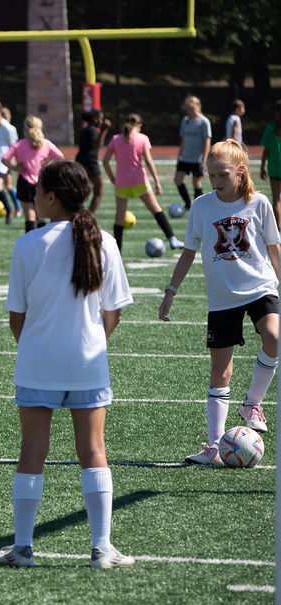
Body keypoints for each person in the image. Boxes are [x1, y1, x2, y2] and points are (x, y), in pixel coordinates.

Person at [0, 158, 134, 569]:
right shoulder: (105, 242)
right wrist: (89, 343)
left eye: (37, 191)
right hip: (87, 362)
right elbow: (113, 313)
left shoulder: (27, 245)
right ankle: (101, 548)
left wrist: (39, 348)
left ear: (52, 197)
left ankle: (23, 548)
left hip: (38, 362)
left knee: (32, 452)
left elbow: (16, 317)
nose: (33, 197)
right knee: (93, 451)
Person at [158, 140, 281, 466]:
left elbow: (273, 248)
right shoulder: (201, 206)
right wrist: (171, 289)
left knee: (274, 337)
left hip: (260, 287)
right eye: (210, 174)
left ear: (241, 171)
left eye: (222, 173)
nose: (215, 180)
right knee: (220, 371)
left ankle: (252, 403)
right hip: (222, 298)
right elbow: (188, 251)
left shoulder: (259, 203)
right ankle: (214, 447)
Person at [102, 113, 183, 252]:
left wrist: (112, 179)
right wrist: (157, 181)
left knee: (119, 218)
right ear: (139, 126)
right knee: (156, 210)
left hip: (122, 183)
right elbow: (149, 161)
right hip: (139, 181)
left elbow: (105, 161)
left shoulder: (115, 139)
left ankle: (118, 252)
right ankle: (172, 239)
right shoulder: (143, 138)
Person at [2, 115, 64, 233]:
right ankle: (43, 242)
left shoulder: (19, 144)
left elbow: (4, 159)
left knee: (29, 216)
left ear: (25, 130)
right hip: (42, 183)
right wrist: (48, 168)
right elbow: (60, 157)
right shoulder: (46, 143)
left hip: (24, 182)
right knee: (41, 217)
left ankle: (29, 245)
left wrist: (15, 168)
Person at [175, 95, 212, 212]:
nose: (190, 111)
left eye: (192, 108)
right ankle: (187, 203)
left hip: (197, 158)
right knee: (177, 179)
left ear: (198, 107)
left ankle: (198, 207)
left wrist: (203, 159)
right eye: (188, 109)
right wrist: (179, 155)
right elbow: (183, 139)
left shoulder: (204, 122)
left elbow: (207, 141)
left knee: (196, 181)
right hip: (185, 157)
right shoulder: (185, 121)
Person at [76, 108, 112, 213]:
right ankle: (90, 215)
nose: (101, 121)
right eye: (100, 119)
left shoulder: (85, 130)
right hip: (90, 163)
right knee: (99, 191)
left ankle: (78, 213)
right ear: (95, 119)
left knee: (83, 191)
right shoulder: (92, 130)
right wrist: (105, 129)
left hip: (81, 161)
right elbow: (95, 145)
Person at [259, 100, 281, 228]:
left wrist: (262, 167)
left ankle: (278, 229)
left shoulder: (271, 128)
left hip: (275, 167)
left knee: (277, 199)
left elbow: (265, 151)